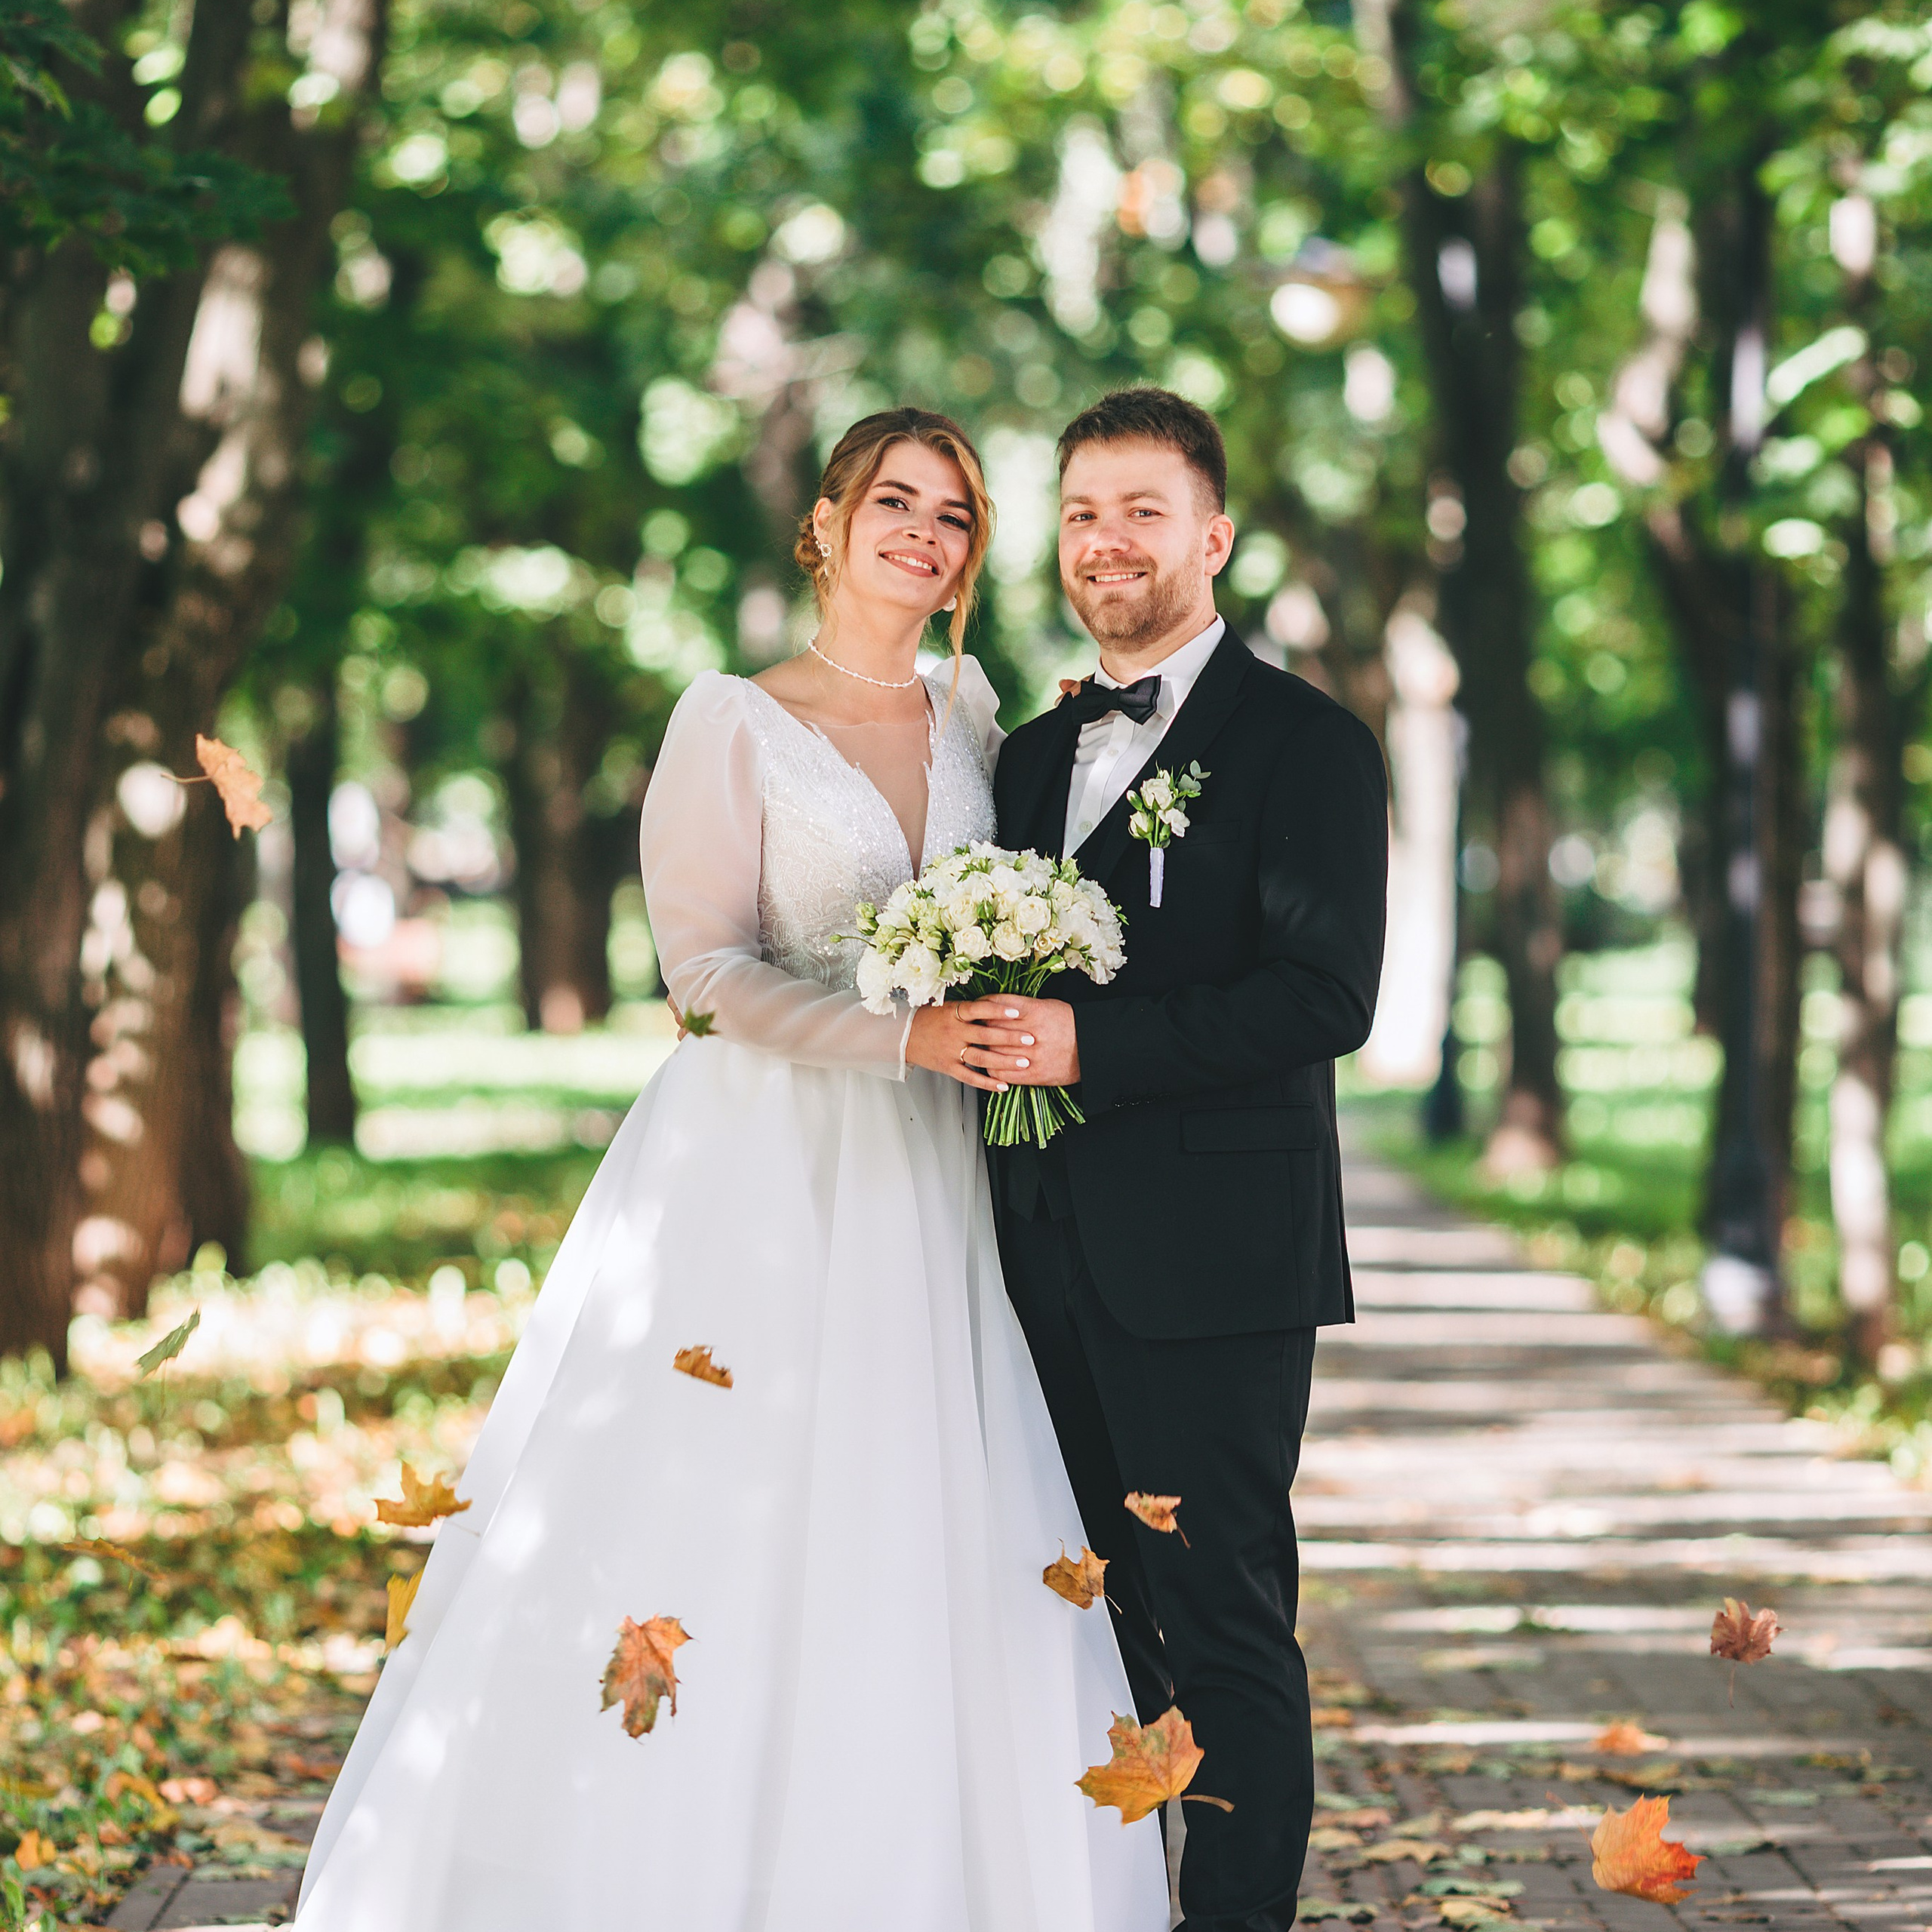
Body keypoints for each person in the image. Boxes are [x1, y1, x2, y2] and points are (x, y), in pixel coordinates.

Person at [293, 409, 1168, 1932]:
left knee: (930, 1502)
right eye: (892, 500)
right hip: (766, 1166)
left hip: (939, 1172)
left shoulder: (976, 711)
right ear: (820, 524)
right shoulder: (731, 716)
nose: (923, 531)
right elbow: (695, 972)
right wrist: (891, 1040)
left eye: (953, 513)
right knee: (726, 1497)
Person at [958, 389, 1389, 1932]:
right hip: (1027, 1258)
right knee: (1086, 1632)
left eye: (1141, 510)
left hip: (1209, 1268)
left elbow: (1324, 996)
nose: (1105, 541)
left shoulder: (1304, 744)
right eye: (1080, 512)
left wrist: (1094, 1047)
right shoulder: (1026, 752)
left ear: (1212, 535)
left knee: (1218, 1628)